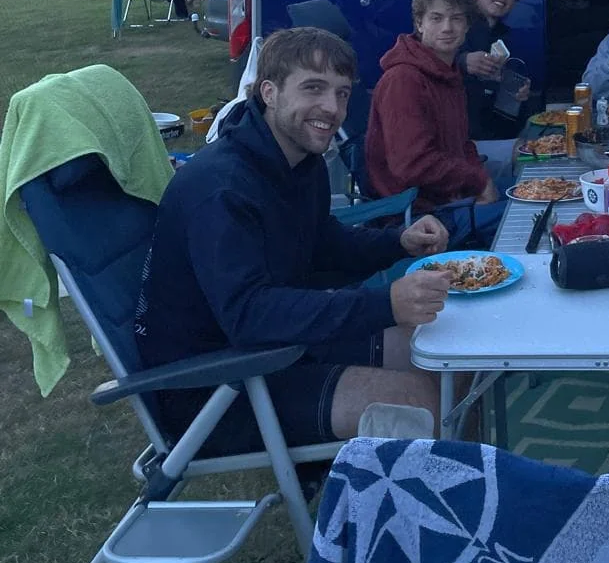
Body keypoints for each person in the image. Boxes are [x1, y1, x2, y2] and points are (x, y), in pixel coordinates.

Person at [134, 27, 451, 451]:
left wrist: (398, 242)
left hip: (286, 342)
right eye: (313, 89)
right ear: (269, 91)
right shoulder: (221, 190)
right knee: (423, 406)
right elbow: (249, 314)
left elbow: (322, 245)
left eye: (341, 93)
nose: (332, 108)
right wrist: (385, 304)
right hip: (218, 383)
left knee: (446, 355)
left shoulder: (298, 160)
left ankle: (448, 480)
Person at [366, 0, 500, 213]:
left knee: (534, 193)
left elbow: (463, 144)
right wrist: (478, 181)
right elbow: (412, 164)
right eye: (436, 18)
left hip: (453, 194)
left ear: (467, 26)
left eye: (456, 18)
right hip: (418, 214)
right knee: (528, 215)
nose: (447, 28)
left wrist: (479, 178)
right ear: (419, 23)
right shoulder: (403, 80)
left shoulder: (447, 72)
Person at [458, 0, 532, 141]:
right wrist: (463, 61)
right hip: (460, 139)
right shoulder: (458, 27)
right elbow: (428, 59)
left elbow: (505, 111)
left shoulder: (505, 38)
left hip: (493, 134)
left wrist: (517, 96)